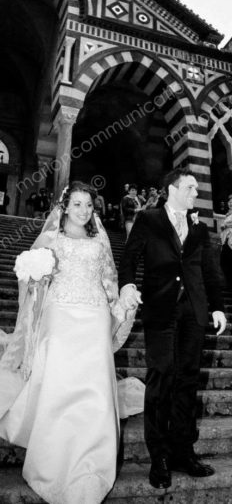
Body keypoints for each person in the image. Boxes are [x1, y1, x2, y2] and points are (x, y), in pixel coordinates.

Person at [0, 181, 142, 504]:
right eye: (77, 204)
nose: (84, 211)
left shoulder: (99, 241)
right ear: (65, 207)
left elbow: (108, 281)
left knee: (95, 390)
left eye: (88, 205)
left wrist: (118, 307)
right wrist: (36, 280)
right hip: (59, 318)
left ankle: (92, 465)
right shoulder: (50, 239)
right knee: (59, 387)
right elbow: (31, 283)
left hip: (94, 319)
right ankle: (53, 461)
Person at [118, 168, 227, 489]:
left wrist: (218, 305)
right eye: (191, 187)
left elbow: (210, 270)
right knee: (162, 377)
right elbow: (129, 258)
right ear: (173, 189)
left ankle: (183, 451)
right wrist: (127, 285)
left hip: (194, 312)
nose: (196, 193)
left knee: (187, 381)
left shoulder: (200, 227)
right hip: (160, 309)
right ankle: (159, 456)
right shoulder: (149, 219)